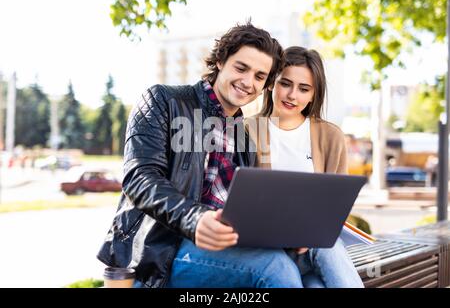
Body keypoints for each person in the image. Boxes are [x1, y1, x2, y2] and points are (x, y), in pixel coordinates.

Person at [97, 21, 311, 288]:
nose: (248, 82)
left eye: (259, 76)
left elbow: (246, 209)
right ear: (221, 61)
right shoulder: (163, 100)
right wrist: (195, 219)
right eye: (241, 68)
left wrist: (284, 232)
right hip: (163, 250)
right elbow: (139, 178)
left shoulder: (245, 137)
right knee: (274, 268)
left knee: (314, 256)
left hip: (224, 245)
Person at [245, 46, 364, 288]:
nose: (292, 95)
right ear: (271, 84)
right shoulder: (246, 130)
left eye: (304, 89)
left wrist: (312, 235)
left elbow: (336, 208)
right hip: (269, 253)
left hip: (314, 249)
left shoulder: (330, 136)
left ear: (313, 94)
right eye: (285, 84)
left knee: (324, 248)